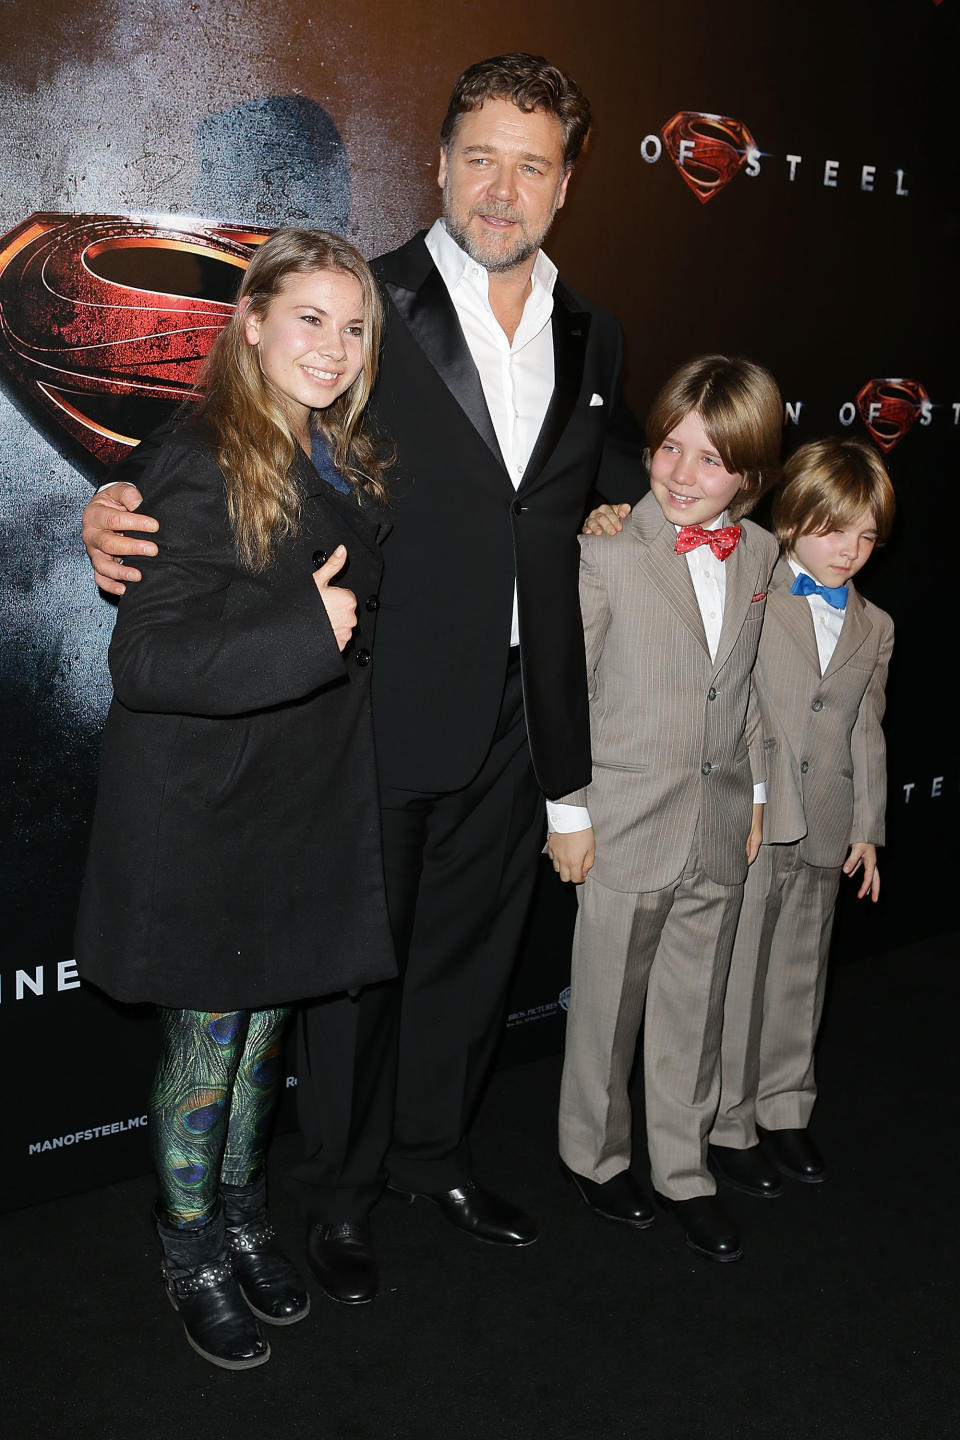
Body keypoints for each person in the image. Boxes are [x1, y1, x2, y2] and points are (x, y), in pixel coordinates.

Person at [79, 53, 645, 1303]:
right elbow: (230, 416)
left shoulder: (593, 327)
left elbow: (587, 467)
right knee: (343, 967)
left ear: (565, 182)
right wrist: (109, 503)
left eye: (532, 165)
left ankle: (436, 1153)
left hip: (523, 707)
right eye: (481, 157)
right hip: (371, 697)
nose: (503, 189)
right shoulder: (363, 303)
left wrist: (630, 507)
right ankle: (337, 1195)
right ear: (439, 161)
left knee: (473, 954)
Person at [74, 228, 396, 1367]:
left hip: (292, 796)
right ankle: (190, 1238)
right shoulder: (197, 452)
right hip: (206, 807)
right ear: (249, 323)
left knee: (264, 1036)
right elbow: (145, 663)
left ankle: (243, 1205)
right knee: (210, 1043)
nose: (335, 346)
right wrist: (306, 631)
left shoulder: (334, 452)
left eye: (354, 327)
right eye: (308, 318)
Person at [547, 355, 782, 1263]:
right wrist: (567, 814)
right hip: (623, 817)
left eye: (711, 460)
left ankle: (685, 1169)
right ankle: (594, 1159)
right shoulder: (602, 549)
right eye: (669, 448)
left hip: (720, 816)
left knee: (696, 1004)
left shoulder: (760, 554)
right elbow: (565, 695)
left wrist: (756, 792)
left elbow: (748, 682)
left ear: (750, 479)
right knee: (606, 1005)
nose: (681, 475)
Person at [708, 437, 895, 1195]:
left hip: (825, 822)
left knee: (799, 977)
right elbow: (734, 702)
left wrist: (868, 829)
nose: (849, 550)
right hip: (756, 817)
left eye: (867, 536)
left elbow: (866, 729)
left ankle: (787, 1111)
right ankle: (729, 1122)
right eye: (833, 529)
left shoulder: (875, 627)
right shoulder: (753, 588)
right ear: (792, 521)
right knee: (741, 975)